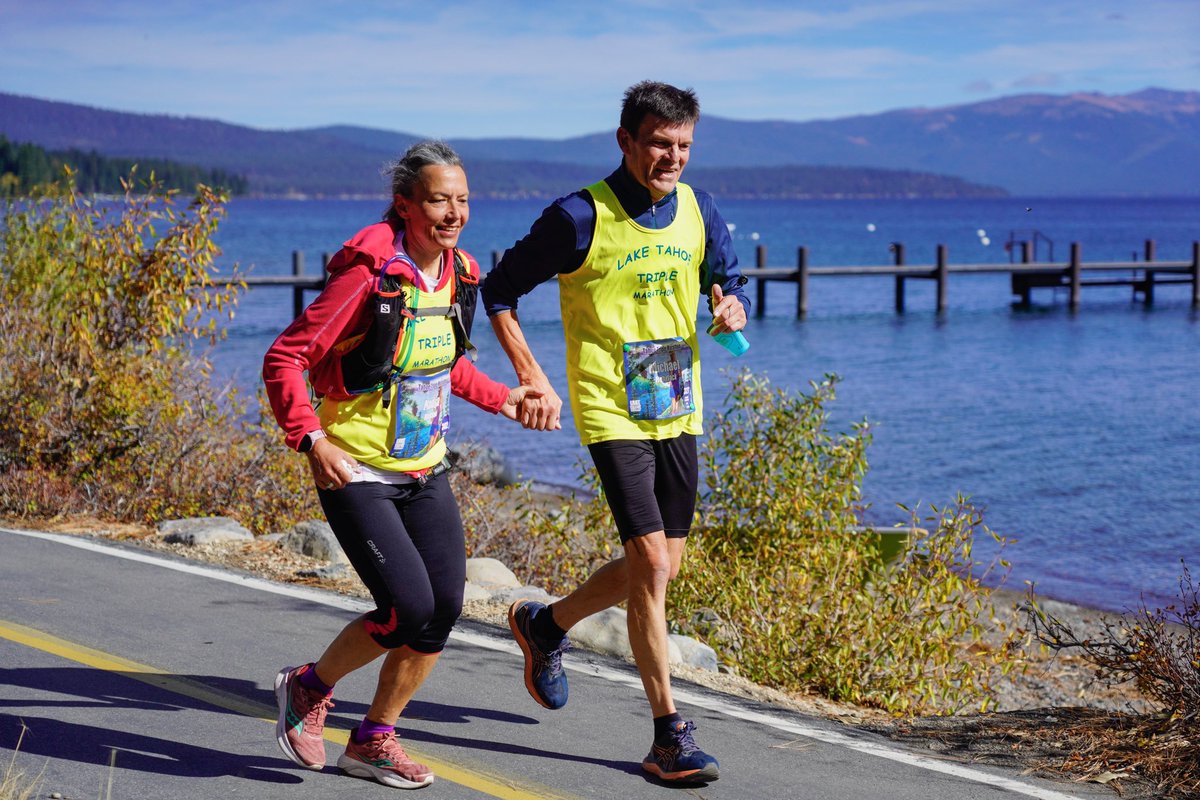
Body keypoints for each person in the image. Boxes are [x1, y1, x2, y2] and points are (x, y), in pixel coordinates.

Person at [480, 81, 749, 784]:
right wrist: (532, 375)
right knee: (654, 566)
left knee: (657, 568)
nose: (673, 158)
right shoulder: (578, 218)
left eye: (684, 145)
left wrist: (730, 303)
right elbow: (499, 289)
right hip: (609, 407)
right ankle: (669, 736)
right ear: (626, 140)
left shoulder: (699, 208)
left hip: (676, 401)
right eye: (660, 142)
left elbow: (728, 277)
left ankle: (546, 627)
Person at [262, 140, 539, 790]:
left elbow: (446, 362)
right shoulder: (369, 273)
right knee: (406, 610)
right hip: (355, 469)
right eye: (439, 199)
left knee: (441, 612)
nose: (453, 212)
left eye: (463, 200)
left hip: (425, 470)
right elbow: (286, 357)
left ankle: (374, 740)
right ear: (405, 203)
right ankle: (307, 688)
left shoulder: (459, 274)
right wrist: (311, 439)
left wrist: (505, 399)